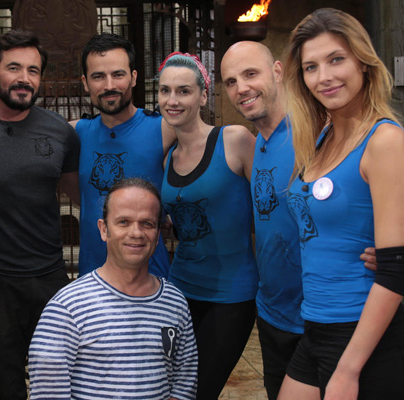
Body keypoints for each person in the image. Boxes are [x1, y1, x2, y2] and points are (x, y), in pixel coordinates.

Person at [278, 8, 404, 399]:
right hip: (316, 327)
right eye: (311, 67)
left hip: (366, 339)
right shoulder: (320, 138)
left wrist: (348, 370)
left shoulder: (383, 140)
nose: (324, 76)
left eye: (336, 59)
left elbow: (395, 269)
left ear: (364, 63)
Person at [0, 30, 80, 400]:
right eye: (14, 67)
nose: (25, 78)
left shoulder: (59, 132)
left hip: (49, 274)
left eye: (34, 70)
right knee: (4, 381)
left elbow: (80, 195)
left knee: (56, 379)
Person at [28, 178, 198, 399]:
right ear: (104, 229)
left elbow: (183, 385)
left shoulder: (175, 302)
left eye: (147, 223)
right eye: (124, 222)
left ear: (157, 234)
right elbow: (48, 395)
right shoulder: (67, 308)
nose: (136, 233)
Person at [158, 52, 258, 399]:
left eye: (184, 91)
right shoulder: (168, 154)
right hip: (180, 289)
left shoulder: (235, 140)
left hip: (231, 296)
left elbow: (272, 204)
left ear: (203, 96)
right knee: (170, 388)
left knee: (200, 390)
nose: (173, 100)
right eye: (165, 91)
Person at [220, 41, 312, 400]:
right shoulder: (258, 144)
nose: (241, 88)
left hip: (316, 321)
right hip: (273, 315)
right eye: (230, 81)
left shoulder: (314, 132)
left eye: (250, 74)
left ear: (277, 72)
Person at [71, 33, 175, 278]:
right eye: (98, 76)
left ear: (134, 77)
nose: (109, 86)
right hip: (93, 279)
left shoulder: (165, 129)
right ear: (85, 82)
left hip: (153, 278)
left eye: (118, 74)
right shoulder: (75, 133)